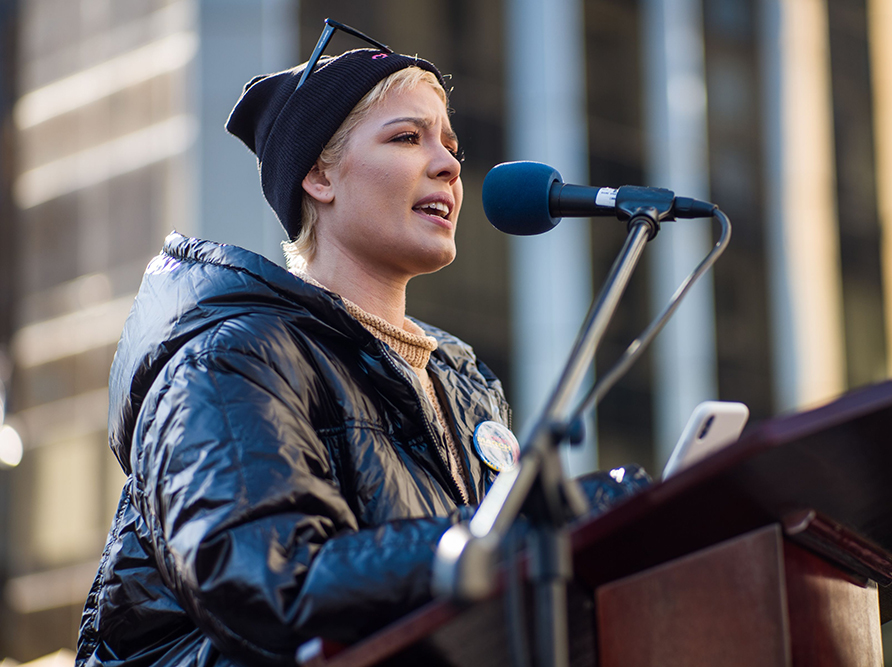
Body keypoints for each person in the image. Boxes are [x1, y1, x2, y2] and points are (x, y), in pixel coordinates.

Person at [77, 28, 647, 667]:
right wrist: (534, 530)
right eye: (408, 137)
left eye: (450, 145)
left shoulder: (465, 382)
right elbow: (272, 583)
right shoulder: (232, 355)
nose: (450, 165)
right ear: (318, 174)